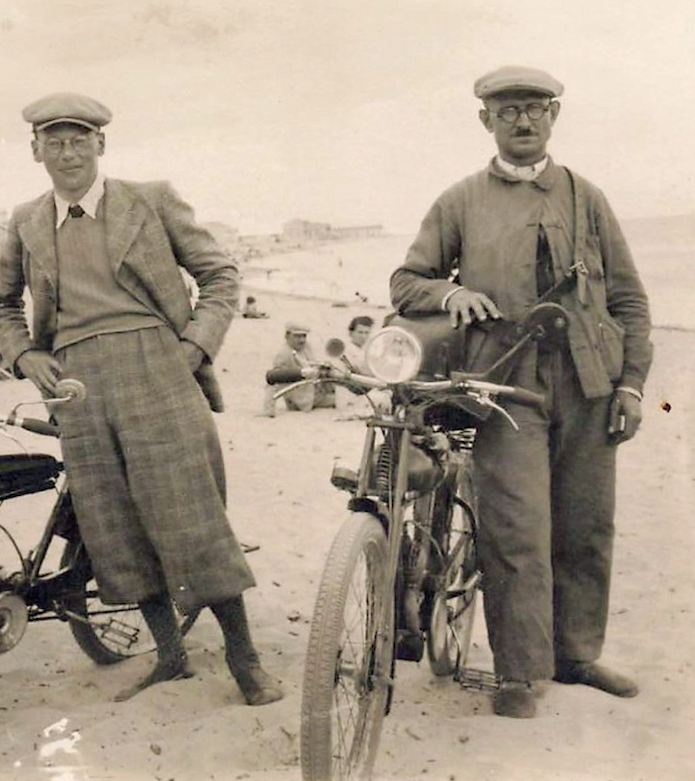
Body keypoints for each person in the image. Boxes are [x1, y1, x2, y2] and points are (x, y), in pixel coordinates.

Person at [0, 92, 282, 706]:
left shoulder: (151, 199)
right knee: (113, 525)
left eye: (79, 140)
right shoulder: (26, 220)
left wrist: (194, 349)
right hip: (75, 386)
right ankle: (170, 657)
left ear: (100, 145)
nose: (68, 153)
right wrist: (26, 355)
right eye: (55, 142)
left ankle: (244, 660)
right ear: (35, 150)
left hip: (159, 368)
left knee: (190, 517)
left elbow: (221, 276)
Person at [389, 66, 652, 718]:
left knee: (585, 527)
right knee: (515, 529)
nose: (523, 122)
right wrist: (452, 293)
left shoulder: (586, 198)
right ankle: (515, 672)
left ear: (554, 115)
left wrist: (632, 385)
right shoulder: (459, 201)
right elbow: (406, 280)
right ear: (486, 122)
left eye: (534, 109)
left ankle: (575, 655)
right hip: (503, 385)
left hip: (589, 387)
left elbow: (628, 300)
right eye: (508, 112)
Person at [262, 322, 335, 416]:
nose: (302, 340)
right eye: (297, 336)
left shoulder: (306, 347)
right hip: (302, 399)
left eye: (304, 336)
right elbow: (273, 379)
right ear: (287, 336)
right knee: (345, 399)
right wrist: (268, 409)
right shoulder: (284, 354)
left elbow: (312, 362)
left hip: (314, 391)